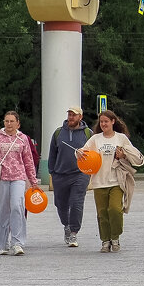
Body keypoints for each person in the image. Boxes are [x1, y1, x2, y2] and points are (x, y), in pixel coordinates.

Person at [80, 110, 144, 253]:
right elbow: (83, 152)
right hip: (99, 181)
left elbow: (133, 155)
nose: (103, 124)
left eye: (106, 122)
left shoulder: (121, 138)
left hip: (116, 180)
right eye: (101, 122)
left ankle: (115, 237)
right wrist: (78, 153)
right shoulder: (95, 139)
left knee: (115, 209)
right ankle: (105, 240)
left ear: (113, 122)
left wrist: (123, 155)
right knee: (102, 213)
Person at [0, 111, 40, 255]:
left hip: (19, 177)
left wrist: (33, 181)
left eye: (12, 121)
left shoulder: (23, 139)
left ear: (18, 123)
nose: (9, 124)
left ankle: (18, 243)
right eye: (6, 121)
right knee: (1, 211)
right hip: (1, 178)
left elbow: (28, 161)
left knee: (17, 207)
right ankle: (2, 244)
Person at [48, 105, 92, 247]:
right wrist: (52, 172)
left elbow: (94, 153)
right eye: (69, 114)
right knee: (61, 204)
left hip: (80, 174)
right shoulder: (58, 133)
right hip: (60, 174)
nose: (71, 117)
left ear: (80, 117)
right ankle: (66, 225)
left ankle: (73, 232)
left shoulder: (88, 133)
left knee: (76, 202)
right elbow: (52, 154)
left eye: (74, 115)